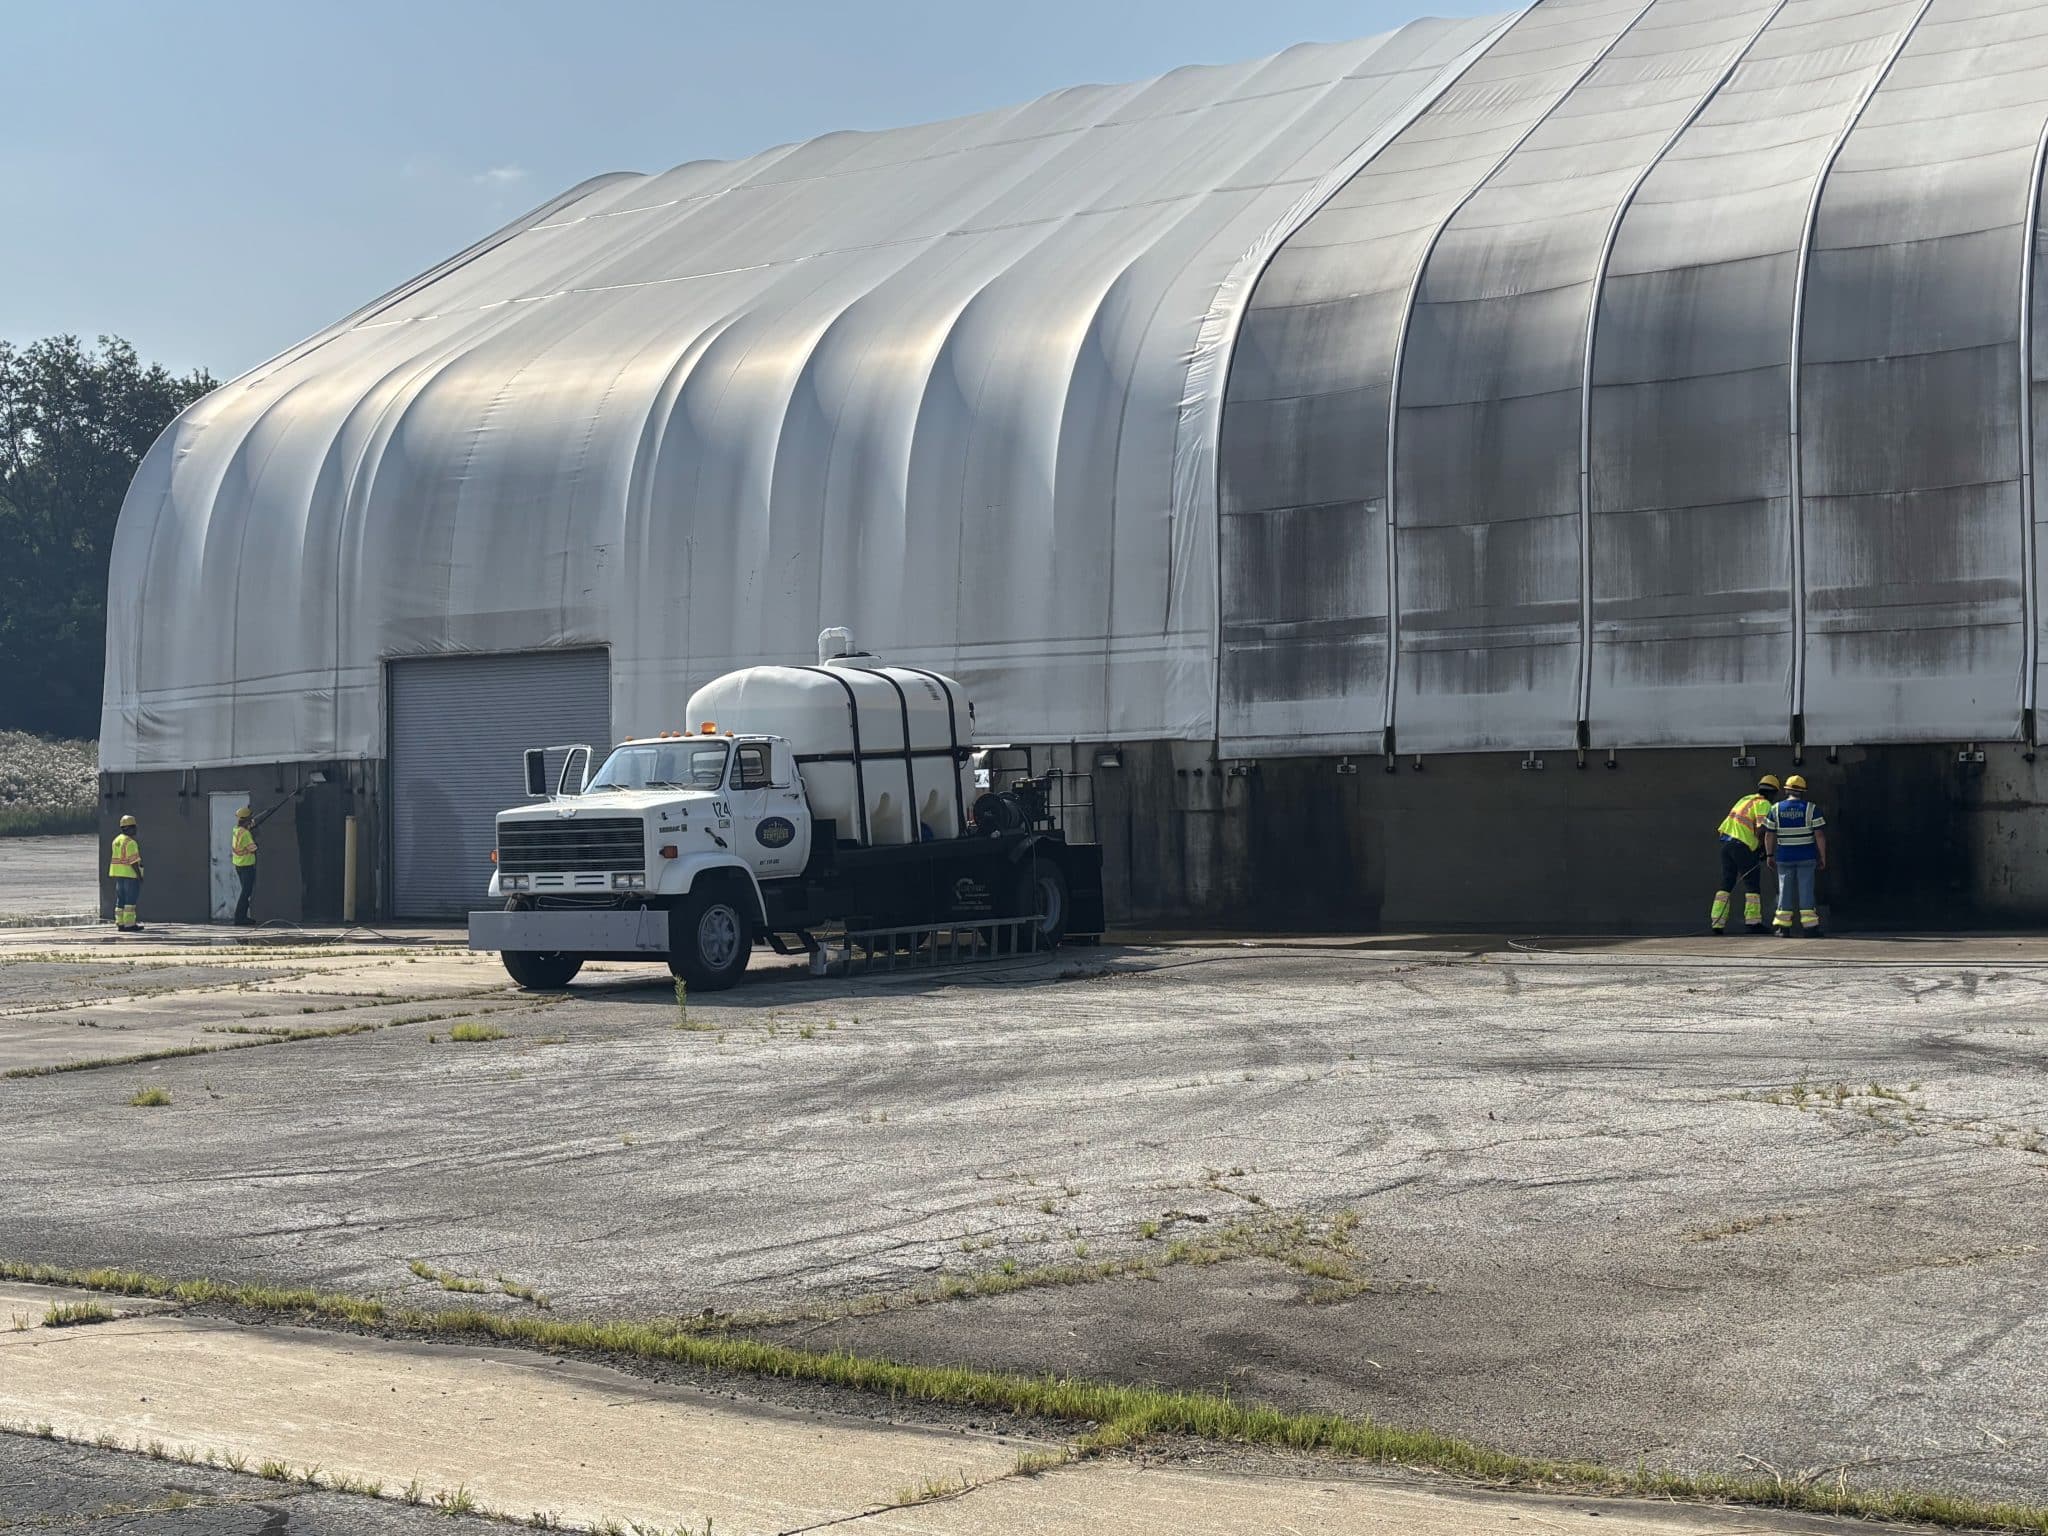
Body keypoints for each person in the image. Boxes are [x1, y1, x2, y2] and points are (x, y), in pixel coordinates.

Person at [1711, 774, 1780, 934]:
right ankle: (1753, 922)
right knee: (1752, 885)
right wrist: (1764, 850)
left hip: (1727, 845)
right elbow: (1762, 829)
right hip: (1743, 847)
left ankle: (1717, 923)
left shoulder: (1745, 799)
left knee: (1726, 883)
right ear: (1773, 793)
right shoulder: (1764, 804)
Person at [1763, 775, 1829, 937]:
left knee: (1784, 889)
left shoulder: (1775, 809)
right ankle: (1810, 928)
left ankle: (1783, 928)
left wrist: (1769, 855)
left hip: (1784, 857)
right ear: (1802, 791)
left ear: (1786, 790)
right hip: (1807, 856)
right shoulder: (1811, 809)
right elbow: (1819, 835)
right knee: (1806, 889)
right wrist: (1823, 857)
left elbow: (1769, 835)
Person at [108, 814, 145, 932]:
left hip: (119, 875)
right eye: (134, 827)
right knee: (130, 901)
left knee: (121, 900)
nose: (135, 829)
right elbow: (133, 862)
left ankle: (120, 923)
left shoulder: (116, 840)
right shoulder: (130, 843)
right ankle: (130, 924)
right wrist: (139, 876)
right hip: (130, 875)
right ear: (128, 828)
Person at [231, 805, 259, 927]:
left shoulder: (237, 831)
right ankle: (239, 917)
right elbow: (253, 848)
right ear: (247, 820)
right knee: (246, 893)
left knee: (245, 892)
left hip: (239, 865)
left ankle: (242, 917)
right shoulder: (246, 834)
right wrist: (255, 840)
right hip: (247, 866)